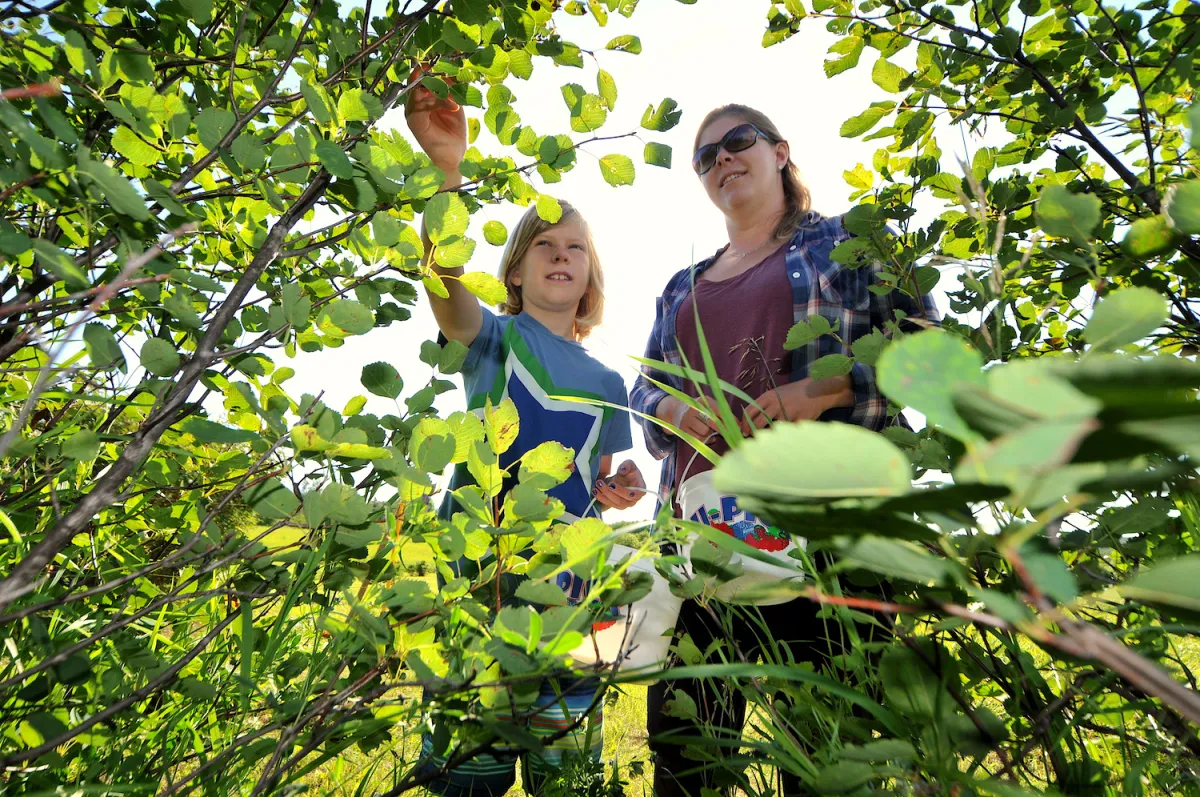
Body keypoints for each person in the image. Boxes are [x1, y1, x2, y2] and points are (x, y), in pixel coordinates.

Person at [629, 104, 941, 796]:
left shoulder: (848, 242)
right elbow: (643, 393)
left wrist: (830, 387)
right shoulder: (679, 289)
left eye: (736, 142)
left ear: (779, 150)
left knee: (824, 753)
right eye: (705, 157)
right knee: (688, 756)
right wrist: (675, 409)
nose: (721, 161)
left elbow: (930, 348)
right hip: (699, 547)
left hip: (827, 533)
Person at [404, 78, 647, 796]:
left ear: (591, 274)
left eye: (575, 246)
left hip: (566, 607)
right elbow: (443, 281)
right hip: (478, 587)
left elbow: (600, 479)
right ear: (515, 267)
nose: (560, 254)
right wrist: (448, 172)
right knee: (466, 782)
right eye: (543, 243)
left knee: (567, 781)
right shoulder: (493, 339)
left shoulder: (609, 381)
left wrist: (620, 486)